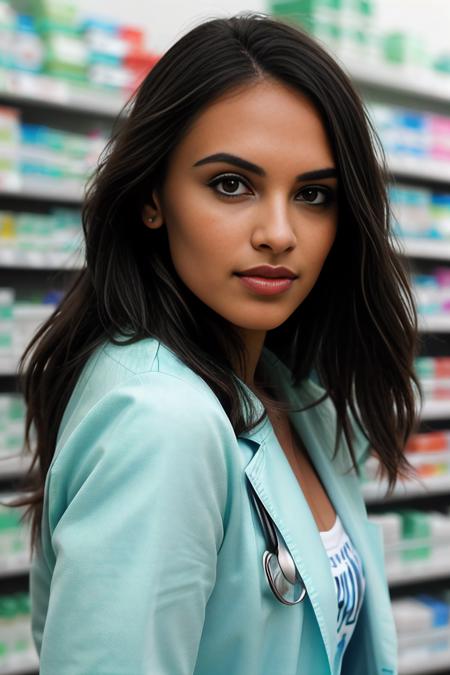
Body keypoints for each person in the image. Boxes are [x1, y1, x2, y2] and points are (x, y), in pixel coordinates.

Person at [15, 12, 420, 675]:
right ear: (152, 196)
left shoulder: (292, 393)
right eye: (232, 184)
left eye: (314, 194)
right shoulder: (162, 422)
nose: (279, 232)